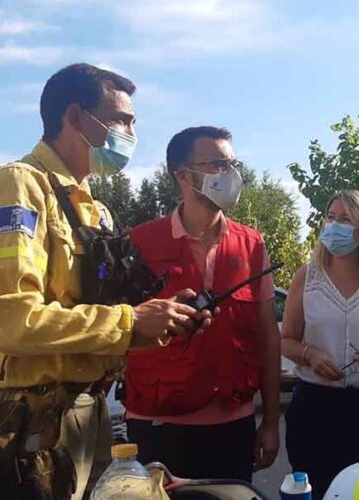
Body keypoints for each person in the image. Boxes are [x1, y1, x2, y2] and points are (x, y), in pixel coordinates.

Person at [0, 63, 208, 499]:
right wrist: (130, 323)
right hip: (22, 422)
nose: (132, 131)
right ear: (75, 118)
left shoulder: (95, 209)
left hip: (86, 416)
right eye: (122, 120)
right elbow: (10, 320)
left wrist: (161, 321)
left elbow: (100, 321)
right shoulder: (18, 188)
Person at [122, 126, 280, 481]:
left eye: (233, 164)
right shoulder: (139, 244)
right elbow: (116, 327)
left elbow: (269, 336)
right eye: (218, 164)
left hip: (232, 425)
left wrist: (270, 422)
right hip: (157, 425)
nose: (231, 174)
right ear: (182, 175)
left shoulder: (251, 244)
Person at [280, 190, 359, 498]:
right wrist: (310, 354)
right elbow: (285, 341)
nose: (333, 225)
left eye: (346, 219)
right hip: (314, 408)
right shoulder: (306, 277)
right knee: (318, 491)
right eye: (331, 217)